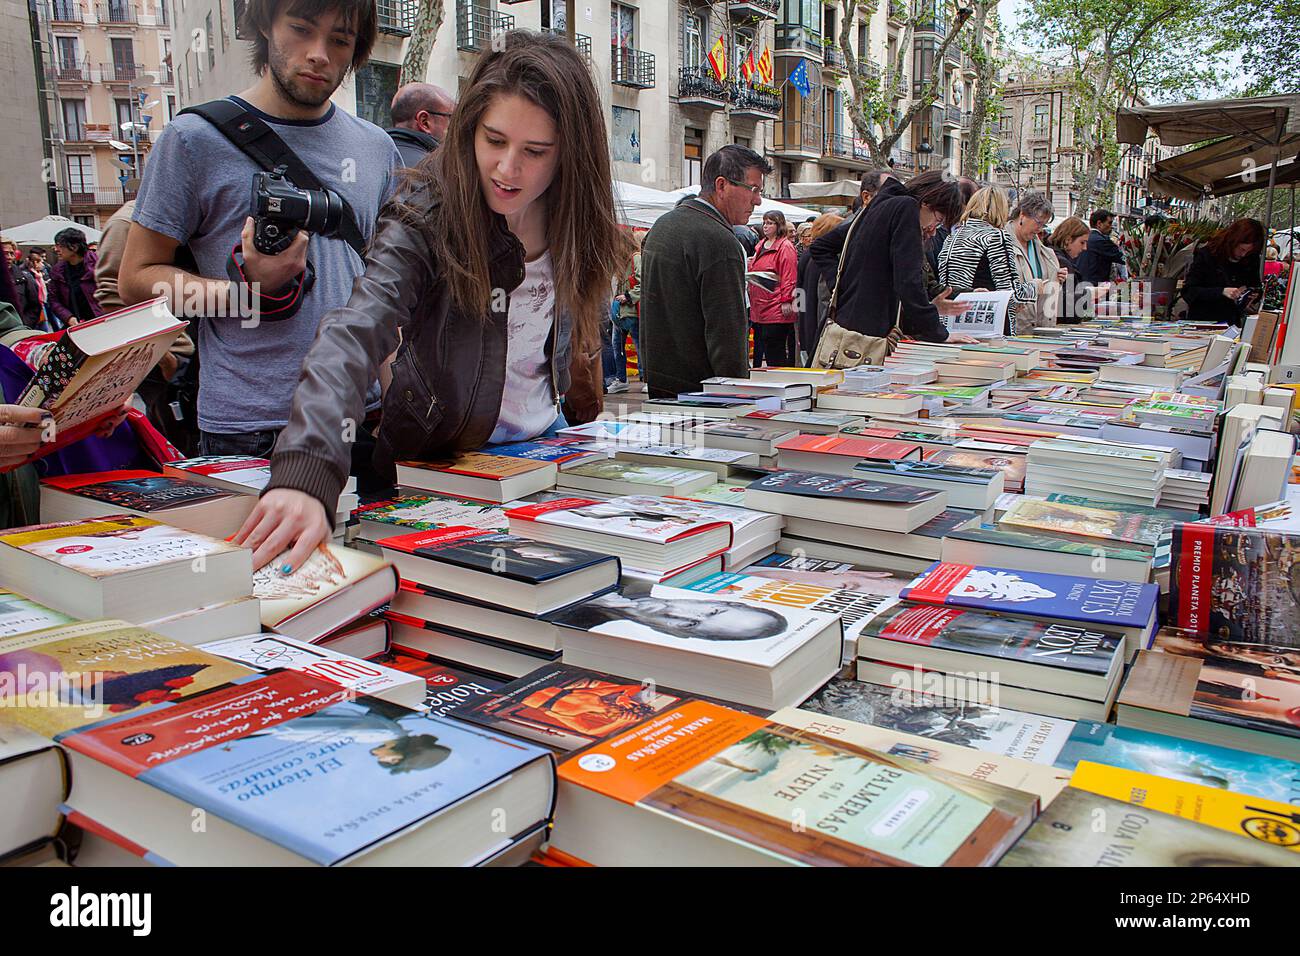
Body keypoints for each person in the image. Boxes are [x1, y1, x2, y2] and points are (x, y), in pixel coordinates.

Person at [231, 31, 630, 573]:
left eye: (535, 152)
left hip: (545, 445)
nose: (507, 170)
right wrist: (307, 468)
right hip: (439, 456)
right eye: (494, 141)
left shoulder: (574, 213)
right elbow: (355, 330)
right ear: (468, 129)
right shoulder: (426, 209)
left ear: (570, 155)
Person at [120, 0, 401, 461]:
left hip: (362, 418)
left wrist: (400, 403)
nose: (318, 54)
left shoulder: (376, 149)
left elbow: (386, 290)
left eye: (340, 39)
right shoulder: (194, 139)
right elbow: (135, 281)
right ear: (265, 26)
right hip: (250, 429)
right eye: (301, 29)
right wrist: (245, 292)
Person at [639, 144, 767, 398]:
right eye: (753, 189)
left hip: (661, 385)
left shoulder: (664, 225)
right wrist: (736, 397)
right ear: (722, 186)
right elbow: (726, 334)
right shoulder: (719, 241)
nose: (758, 200)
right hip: (704, 396)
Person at [806, 170, 976, 347]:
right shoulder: (907, 208)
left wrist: (842, 287)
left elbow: (821, 246)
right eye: (938, 219)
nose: (932, 229)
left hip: (848, 324)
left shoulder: (880, 204)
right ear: (926, 203)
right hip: (869, 334)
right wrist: (937, 331)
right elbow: (908, 281)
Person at [938, 185, 1036, 332]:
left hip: (950, 321)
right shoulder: (996, 237)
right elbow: (1011, 292)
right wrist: (1035, 287)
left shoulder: (953, 236)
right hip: (985, 322)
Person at [1182, 218, 1266, 326]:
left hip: (1232, 323)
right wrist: (1222, 291)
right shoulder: (1207, 255)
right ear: (1233, 241)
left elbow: (1255, 284)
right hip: (1203, 322)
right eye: (1242, 249)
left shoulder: (1250, 260)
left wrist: (1254, 294)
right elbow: (1189, 291)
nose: (1243, 255)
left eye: (1249, 252)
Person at [747, 209, 799, 368]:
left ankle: (779, 381)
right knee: (766, 348)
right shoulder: (761, 245)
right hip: (760, 305)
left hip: (775, 306)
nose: (765, 226)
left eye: (770, 223)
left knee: (775, 351)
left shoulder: (785, 247)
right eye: (764, 222)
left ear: (779, 225)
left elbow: (789, 276)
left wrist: (786, 300)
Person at [1006, 192, 1064, 331]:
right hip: (1014, 330)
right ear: (1022, 215)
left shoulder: (1043, 251)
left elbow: (1046, 290)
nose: (1040, 229)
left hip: (1040, 329)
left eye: (1043, 225)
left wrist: (1058, 279)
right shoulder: (1001, 243)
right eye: (1038, 222)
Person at [795, 212, 842, 357]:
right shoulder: (826, 258)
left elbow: (799, 292)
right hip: (819, 324)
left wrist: (800, 323)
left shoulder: (807, 255)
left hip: (808, 319)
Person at [386, 82, 456, 166]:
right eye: (451, 118)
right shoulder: (436, 170)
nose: (456, 126)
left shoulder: (372, 155)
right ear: (424, 122)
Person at [47, 227, 104, 327]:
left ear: (74, 247)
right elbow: (53, 300)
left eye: (59, 246)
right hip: (76, 326)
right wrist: (68, 317)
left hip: (102, 322)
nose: (56, 249)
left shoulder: (99, 265)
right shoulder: (57, 271)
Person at [608, 236, 642, 389]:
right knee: (617, 346)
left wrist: (628, 296)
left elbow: (644, 282)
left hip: (631, 311)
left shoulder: (636, 258)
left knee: (638, 345)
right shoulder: (619, 262)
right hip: (619, 314)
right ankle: (621, 379)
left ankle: (645, 378)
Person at [1046, 215, 1091, 324]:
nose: (1085, 248)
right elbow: (1068, 308)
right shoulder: (1062, 262)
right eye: (1082, 242)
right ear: (1068, 240)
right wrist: (1090, 294)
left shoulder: (1053, 255)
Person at [1076, 208, 1127, 284]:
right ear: (1099, 223)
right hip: (1095, 285)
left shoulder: (1082, 237)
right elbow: (1122, 258)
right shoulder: (1102, 241)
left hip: (1078, 283)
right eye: (1109, 223)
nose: (1111, 226)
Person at [2, 241, 43, 330]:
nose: (9, 257)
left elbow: (34, 307)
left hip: (20, 330)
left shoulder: (25, 278)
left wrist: (24, 325)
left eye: (11, 253)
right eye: (4, 253)